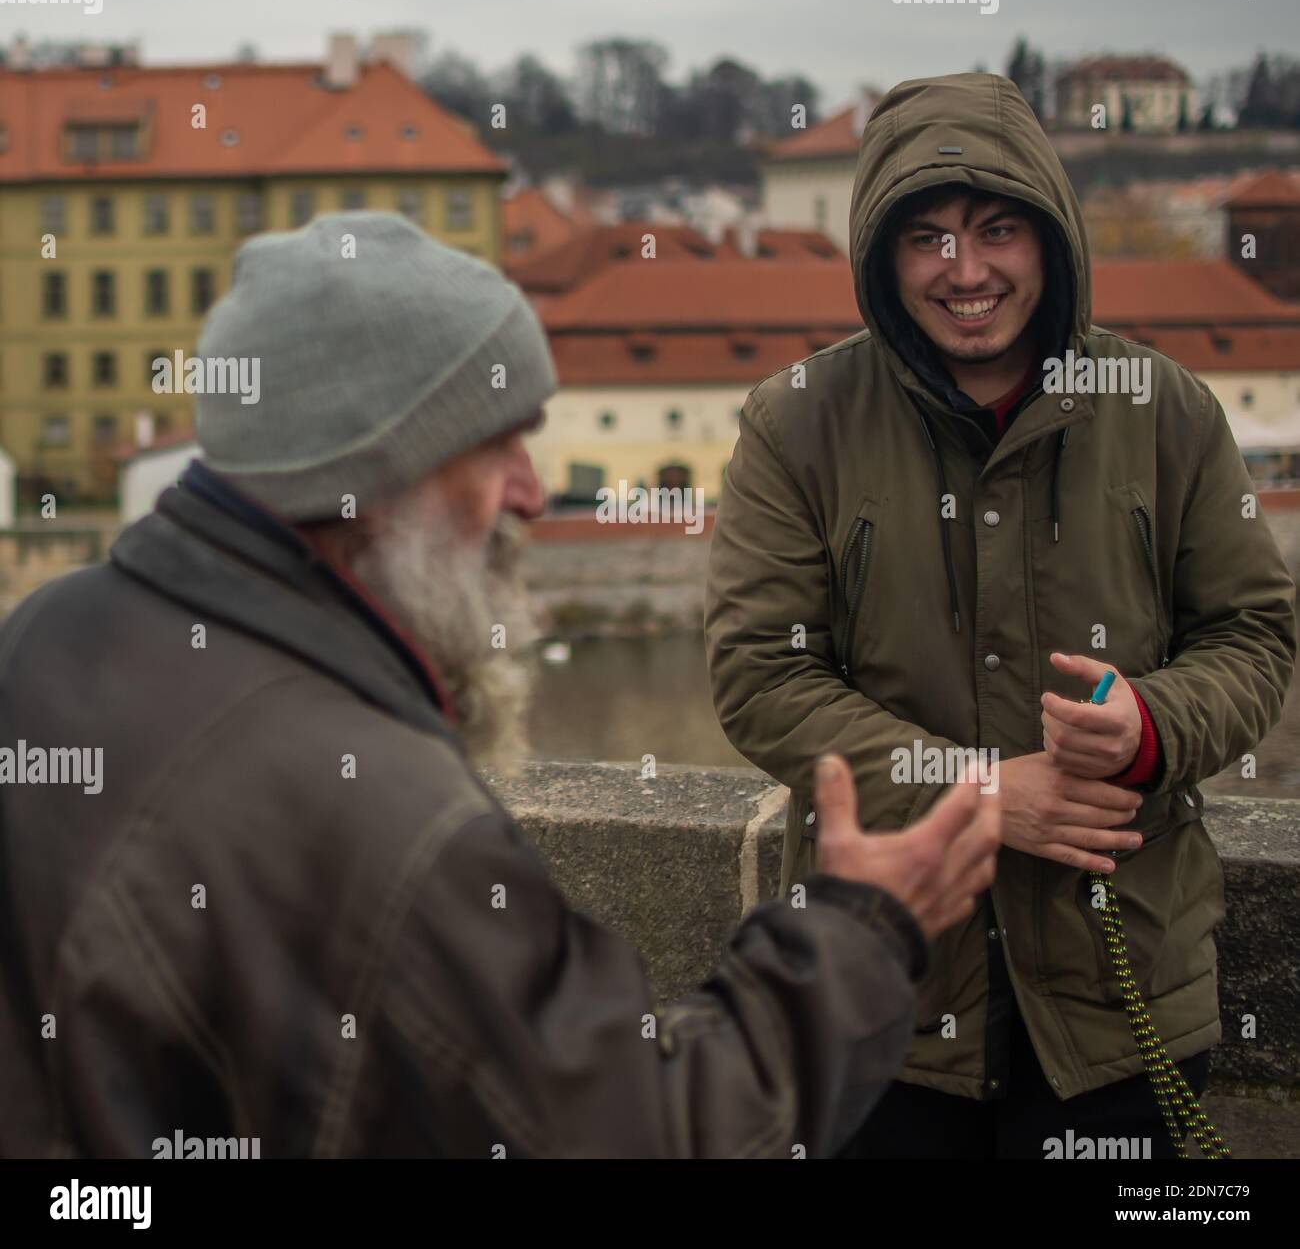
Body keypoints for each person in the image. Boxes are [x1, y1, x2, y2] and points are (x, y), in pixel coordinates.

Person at [0, 211, 999, 1158]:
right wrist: (859, 931)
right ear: (377, 472)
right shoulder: (389, 821)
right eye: (499, 441)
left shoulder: (51, 630)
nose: (532, 489)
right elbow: (638, 1135)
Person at [704, 73, 1296, 1158]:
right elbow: (760, 674)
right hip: (887, 998)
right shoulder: (798, 423)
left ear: (1051, 237)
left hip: (1126, 1004)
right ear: (881, 258)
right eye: (924, 237)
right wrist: (974, 793)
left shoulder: (1162, 407)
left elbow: (1254, 636)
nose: (963, 271)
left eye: (996, 230)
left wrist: (1151, 725)